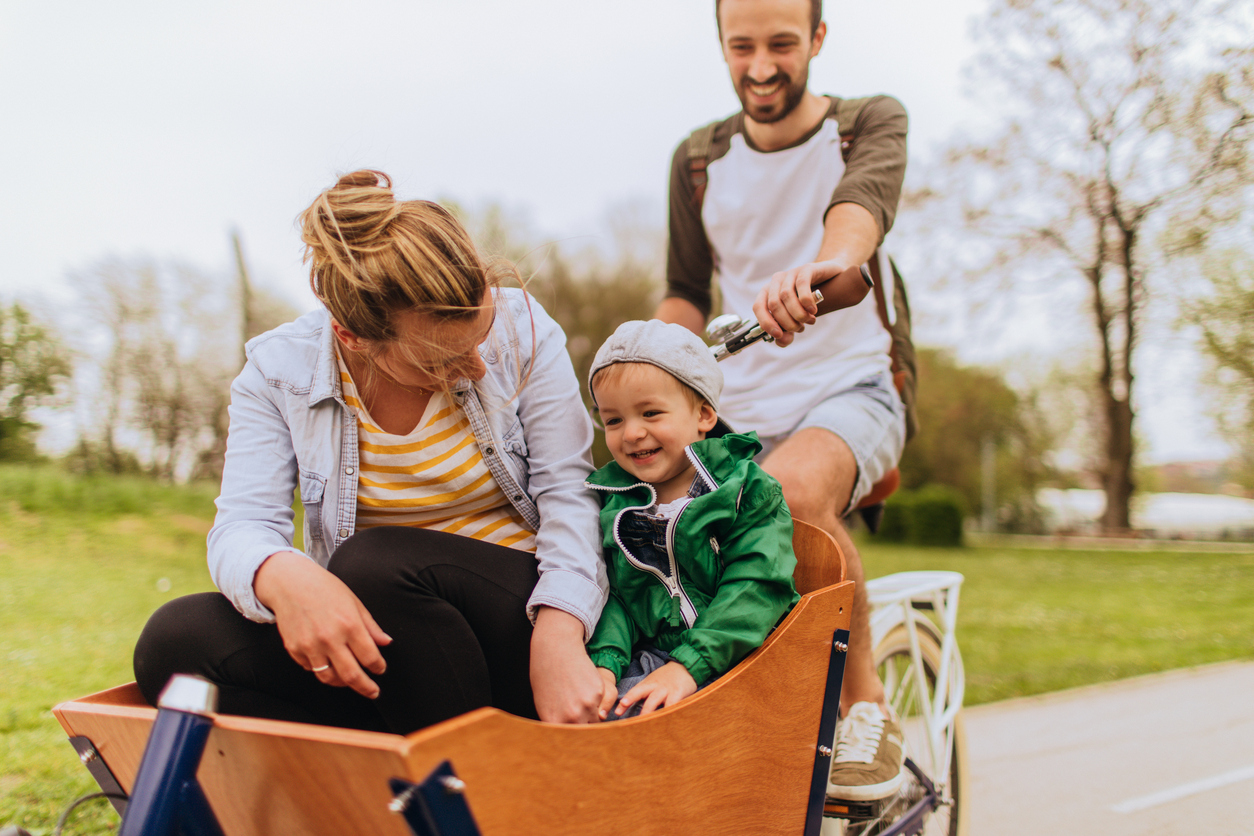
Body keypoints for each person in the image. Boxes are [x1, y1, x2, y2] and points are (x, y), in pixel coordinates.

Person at [133, 170, 609, 733]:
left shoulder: (522, 330)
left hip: (522, 619)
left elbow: (568, 494)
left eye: (479, 338)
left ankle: (470, 794)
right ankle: (379, 777)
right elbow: (241, 526)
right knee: (175, 641)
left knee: (371, 564)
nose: (477, 368)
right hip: (395, 643)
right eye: (439, 360)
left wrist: (559, 633)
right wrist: (285, 576)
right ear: (351, 336)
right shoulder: (277, 373)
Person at [656, 0, 910, 800]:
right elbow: (684, 292)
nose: (760, 66)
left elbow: (857, 217)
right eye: (742, 46)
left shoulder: (867, 121)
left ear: (817, 40)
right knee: (654, 537)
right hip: (739, 408)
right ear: (721, 46)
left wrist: (818, 270)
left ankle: (865, 708)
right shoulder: (698, 159)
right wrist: (649, 359)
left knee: (790, 496)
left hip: (853, 386)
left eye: (781, 44)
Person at [582, 320, 799, 720]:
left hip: (742, 652)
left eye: (650, 412)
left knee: (636, 720)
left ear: (703, 415)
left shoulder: (742, 491)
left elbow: (757, 584)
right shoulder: (616, 503)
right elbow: (618, 597)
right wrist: (605, 662)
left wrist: (687, 666)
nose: (631, 433)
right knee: (595, 709)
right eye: (613, 420)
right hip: (652, 658)